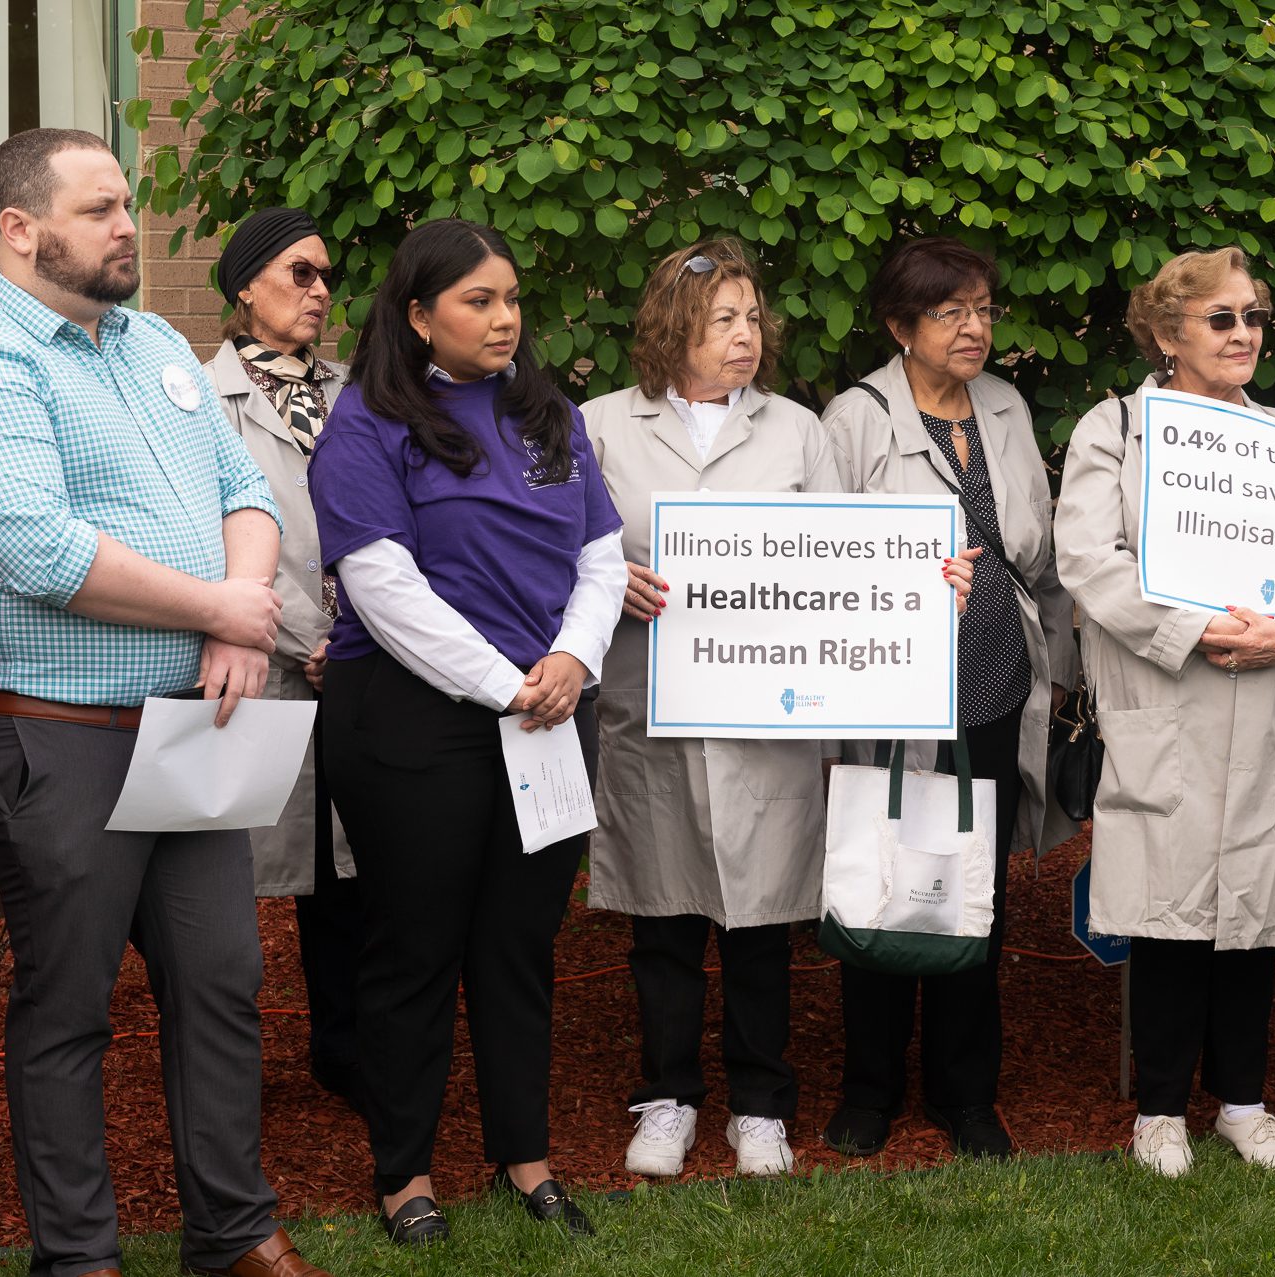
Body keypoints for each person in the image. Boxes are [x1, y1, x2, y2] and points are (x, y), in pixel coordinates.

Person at [0, 128, 328, 1277]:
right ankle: (80, 1256)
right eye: (99, 209)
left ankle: (232, 1233)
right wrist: (226, 611)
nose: (129, 224)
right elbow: (43, 550)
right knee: (71, 1002)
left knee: (223, 981)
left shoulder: (154, 343)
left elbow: (244, 488)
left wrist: (234, 607)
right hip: (54, 732)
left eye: (127, 202)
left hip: (191, 723)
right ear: (19, 230)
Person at [309, 217, 622, 1246]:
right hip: (413, 717)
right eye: (478, 300)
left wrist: (571, 660)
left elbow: (603, 555)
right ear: (416, 313)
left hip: (545, 707)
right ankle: (405, 1173)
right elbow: (382, 585)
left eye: (512, 299)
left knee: (520, 944)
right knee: (415, 947)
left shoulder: (548, 412)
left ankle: (523, 1156)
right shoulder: (369, 420)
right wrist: (509, 686)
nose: (504, 318)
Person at [1053, 246, 1275, 1177]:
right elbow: (1090, 561)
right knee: (1169, 911)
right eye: (1221, 318)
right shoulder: (1116, 431)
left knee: (1253, 910)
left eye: (1254, 316)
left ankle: (1247, 1103)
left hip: (1272, 700)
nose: (1244, 334)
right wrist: (1195, 627)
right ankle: (1160, 1109)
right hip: (1168, 693)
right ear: (1166, 330)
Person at [581, 239, 852, 1179]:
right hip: (650, 707)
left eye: (752, 318)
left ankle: (761, 1104)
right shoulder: (602, 427)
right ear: (671, 328)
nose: (745, 336)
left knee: (761, 919)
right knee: (662, 916)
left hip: (764, 717)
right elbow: (560, 551)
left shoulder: (796, 430)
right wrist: (610, 580)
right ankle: (665, 1098)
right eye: (721, 319)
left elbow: (843, 558)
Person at [820, 237, 1077, 1159]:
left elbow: (1037, 552)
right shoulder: (852, 419)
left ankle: (968, 1094)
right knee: (882, 875)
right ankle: (869, 1091)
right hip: (892, 695)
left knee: (976, 891)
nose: (975, 328)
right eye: (950, 313)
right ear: (900, 327)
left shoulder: (1003, 407)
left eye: (983, 309)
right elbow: (824, 560)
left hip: (997, 686)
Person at [204, 206, 363, 1106]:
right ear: (245, 287)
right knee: (233, 867)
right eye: (300, 273)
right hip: (259, 661)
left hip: (360, 660)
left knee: (351, 872)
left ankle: (346, 1048)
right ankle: (222, 1062)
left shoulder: (360, 392)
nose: (319, 291)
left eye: (325, 275)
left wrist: (357, 635)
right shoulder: (198, 397)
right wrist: (296, 633)